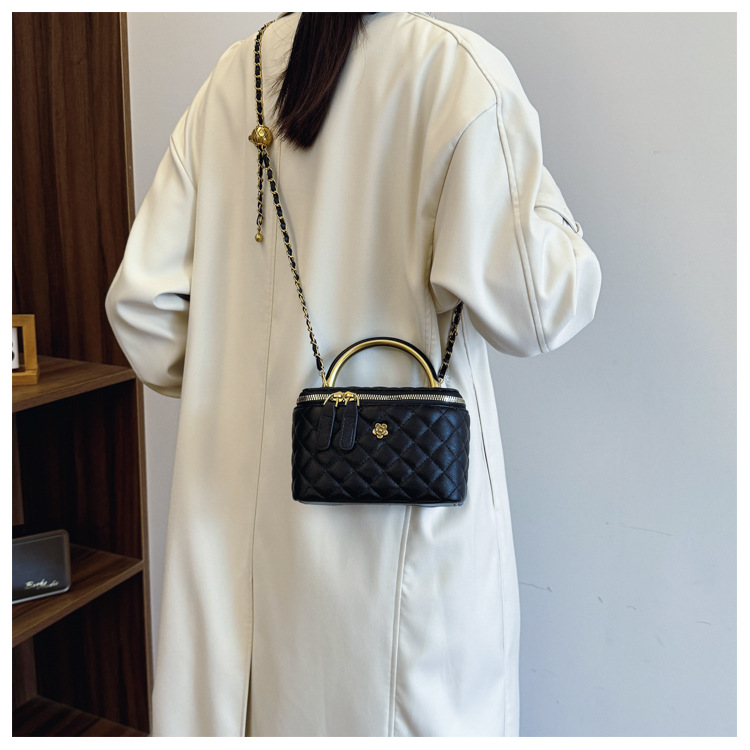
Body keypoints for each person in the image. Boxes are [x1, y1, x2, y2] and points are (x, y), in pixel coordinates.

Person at [106, 12, 601, 737]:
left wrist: (235, 381)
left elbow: (143, 313)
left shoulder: (236, 76)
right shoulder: (457, 70)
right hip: (396, 544)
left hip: (229, 531)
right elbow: (538, 306)